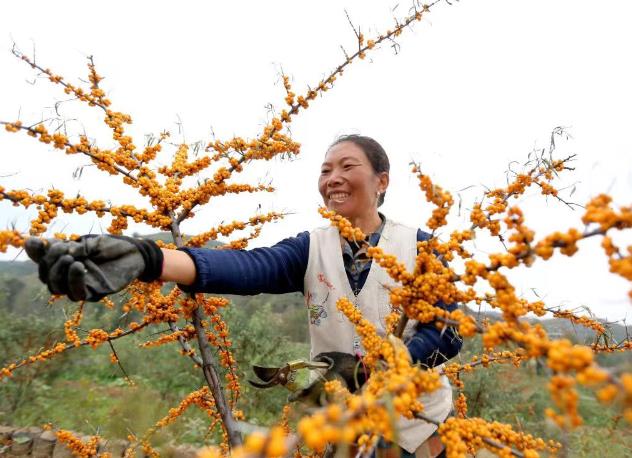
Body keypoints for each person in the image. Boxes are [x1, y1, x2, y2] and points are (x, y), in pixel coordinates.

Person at [25, 134, 461, 458]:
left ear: (382, 180)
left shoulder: (420, 247)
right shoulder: (311, 247)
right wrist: (150, 260)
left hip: (417, 426)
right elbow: (249, 267)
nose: (333, 179)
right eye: (325, 170)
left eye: (347, 166)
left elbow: (448, 332)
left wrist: (386, 365)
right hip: (344, 425)